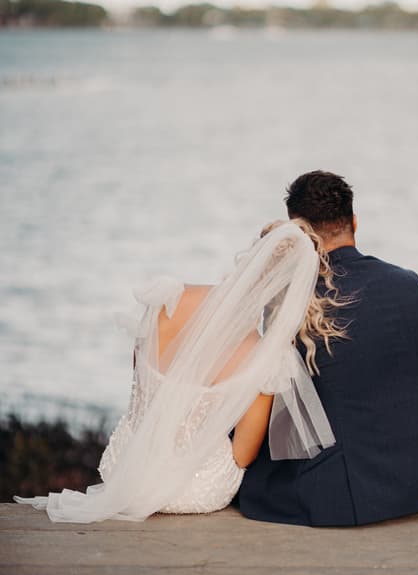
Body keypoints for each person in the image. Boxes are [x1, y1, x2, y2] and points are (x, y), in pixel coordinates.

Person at [13, 218, 347, 522]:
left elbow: (139, 380)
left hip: (124, 468)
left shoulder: (170, 297)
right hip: (196, 491)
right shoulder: (265, 356)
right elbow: (243, 455)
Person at [234, 170, 418, 527]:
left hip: (349, 493)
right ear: (354, 223)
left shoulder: (299, 302)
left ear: (298, 233)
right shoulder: (411, 285)